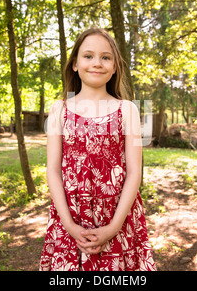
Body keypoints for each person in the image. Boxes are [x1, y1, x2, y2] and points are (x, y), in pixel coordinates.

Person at [39, 27, 156, 271]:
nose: (97, 63)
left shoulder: (128, 110)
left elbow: (135, 171)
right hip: (71, 218)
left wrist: (113, 227)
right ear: (74, 64)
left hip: (118, 218)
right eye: (88, 56)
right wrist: (70, 226)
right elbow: (53, 171)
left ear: (114, 67)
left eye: (106, 57)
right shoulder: (58, 110)